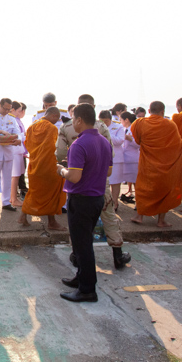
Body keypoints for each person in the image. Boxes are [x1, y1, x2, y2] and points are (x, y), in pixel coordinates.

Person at [57, 94, 131, 270]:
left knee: (77, 223)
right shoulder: (102, 128)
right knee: (108, 215)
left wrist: (65, 167)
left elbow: (60, 154)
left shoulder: (67, 127)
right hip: (99, 180)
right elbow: (110, 155)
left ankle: (77, 255)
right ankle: (118, 255)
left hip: (77, 180)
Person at [56, 104, 113, 303]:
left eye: (73, 120)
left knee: (82, 246)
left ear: (79, 120)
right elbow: (108, 172)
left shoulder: (79, 145)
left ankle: (87, 289)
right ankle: (81, 278)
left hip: (81, 199)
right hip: (96, 198)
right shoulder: (104, 142)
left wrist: (61, 170)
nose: (72, 124)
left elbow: (74, 177)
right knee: (84, 241)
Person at [130, 101, 182, 228]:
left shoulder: (140, 123)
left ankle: (139, 216)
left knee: (143, 188)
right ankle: (161, 220)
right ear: (163, 112)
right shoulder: (170, 125)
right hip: (166, 165)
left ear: (148, 111)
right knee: (164, 191)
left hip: (147, 164)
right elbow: (178, 144)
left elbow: (137, 140)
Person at [19, 107, 66, 230]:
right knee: (51, 193)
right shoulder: (51, 128)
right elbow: (54, 148)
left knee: (34, 191)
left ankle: (23, 215)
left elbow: (27, 144)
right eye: (57, 118)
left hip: (34, 165)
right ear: (54, 115)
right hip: (49, 166)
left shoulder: (32, 126)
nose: (57, 121)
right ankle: (52, 222)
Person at [103, 110, 125, 210]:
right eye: (102, 121)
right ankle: (106, 202)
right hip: (103, 158)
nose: (104, 123)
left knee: (115, 182)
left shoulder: (119, 127)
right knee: (104, 182)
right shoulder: (97, 127)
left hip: (116, 158)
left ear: (110, 120)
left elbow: (120, 141)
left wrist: (106, 134)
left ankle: (115, 202)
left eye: (106, 121)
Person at [10, 101, 28, 207]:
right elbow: (15, 136)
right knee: (15, 175)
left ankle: (12, 198)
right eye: (19, 110)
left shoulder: (15, 120)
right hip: (15, 150)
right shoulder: (12, 120)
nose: (21, 112)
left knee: (16, 175)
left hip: (18, 150)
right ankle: (13, 199)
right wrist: (26, 134)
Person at [119, 112, 139, 203]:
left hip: (133, 159)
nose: (120, 122)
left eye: (121, 120)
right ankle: (130, 192)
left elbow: (139, 144)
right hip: (125, 158)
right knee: (127, 179)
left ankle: (139, 202)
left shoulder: (134, 129)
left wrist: (130, 139)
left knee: (136, 182)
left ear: (126, 120)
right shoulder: (124, 129)